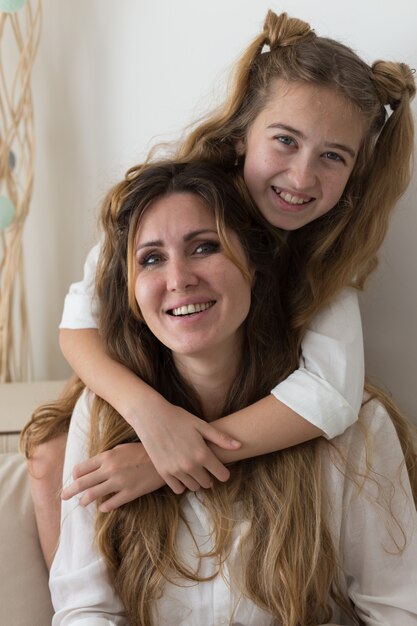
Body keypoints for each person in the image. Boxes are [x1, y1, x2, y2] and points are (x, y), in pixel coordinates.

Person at [23, 10, 415, 568]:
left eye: (332, 157)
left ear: (355, 174)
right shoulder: (168, 208)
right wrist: (151, 417)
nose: (301, 178)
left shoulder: (326, 260)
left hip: (242, 403)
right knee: (50, 455)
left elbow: (329, 394)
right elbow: (80, 325)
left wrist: (167, 457)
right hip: (152, 390)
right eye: (285, 141)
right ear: (238, 138)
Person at [48, 160, 417, 625]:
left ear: (256, 268)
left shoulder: (355, 424)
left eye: (204, 247)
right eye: (152, 258)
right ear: (131, 294)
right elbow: (85, 608)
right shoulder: (101, 416)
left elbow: (398, 611)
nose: (179, 279)